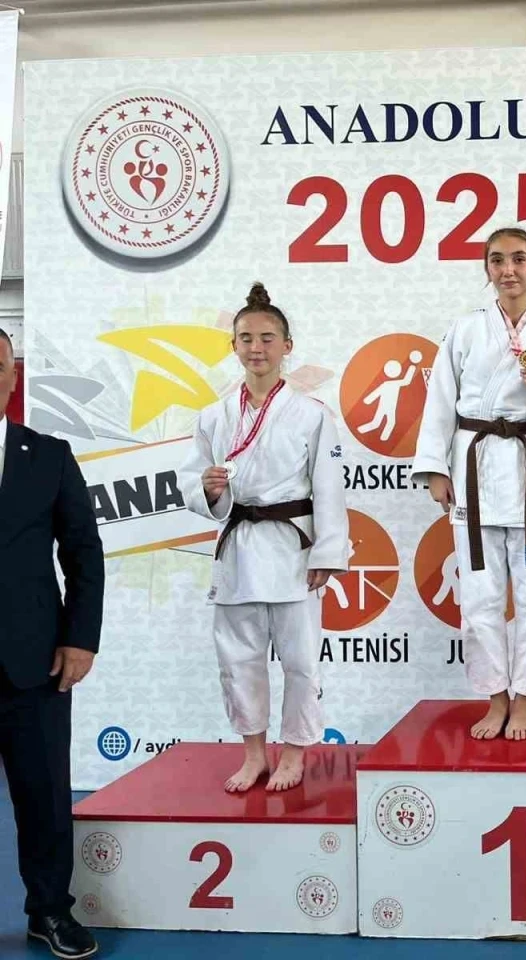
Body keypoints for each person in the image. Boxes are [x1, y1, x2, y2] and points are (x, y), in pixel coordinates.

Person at [412, 227, 526, 741]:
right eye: (497, 260)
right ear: (487, 269)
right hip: (474, 474)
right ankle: (496, 698)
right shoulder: (466, 329)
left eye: (518, 259)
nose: (508, 270)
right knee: (480, 600)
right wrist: (436, 469)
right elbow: (440, 400)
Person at [180, 283, 348, 793]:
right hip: (238, 547)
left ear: (287, 346)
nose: (257, 348)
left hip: (292, 548)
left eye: (267, 338)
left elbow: (328, 488)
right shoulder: (213, 416)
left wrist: (328, 552)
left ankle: (294, 752)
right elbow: (190, 480)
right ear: (233, 346)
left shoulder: (311, 414)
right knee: (239, 660)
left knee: (301, 660)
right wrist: (207, 489)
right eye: (247, 338)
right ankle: (254, 753)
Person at [0, 327, 105, 959]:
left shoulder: (50, 456)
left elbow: (84, 554)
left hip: (34, 660)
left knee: (43, 796)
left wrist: (81, 640)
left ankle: (49, 911)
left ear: (13, 377)